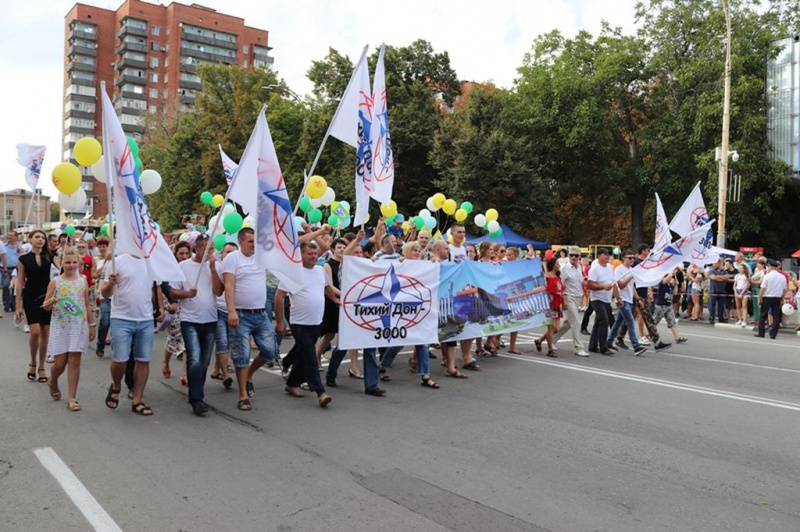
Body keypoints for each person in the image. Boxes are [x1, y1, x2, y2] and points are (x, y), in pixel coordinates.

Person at [100, 250, 164, 416]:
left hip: (145, 319)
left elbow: (156, 288)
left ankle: (137, 400)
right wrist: (111, 284)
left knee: (143, 360)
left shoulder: (152, 261)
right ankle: (116, 384)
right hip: (121, 319)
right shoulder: (117, 262)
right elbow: (104, 293)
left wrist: (161, 307)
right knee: (120, 360)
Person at [221, 228, 277, 411]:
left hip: (260, 314)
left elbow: (290, 245)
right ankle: (243, 394)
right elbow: (228, 286)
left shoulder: (261, 257)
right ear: (241, 241)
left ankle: (249, 375)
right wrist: (231, 311)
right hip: (241, 314)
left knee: (270, 351)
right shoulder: (233, 259)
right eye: (251, 241)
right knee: (242, 356)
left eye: (256, 241)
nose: (254, 244)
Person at [275, 242, 334, 407]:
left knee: (302, 354)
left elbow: (327, 288)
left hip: (316, 321)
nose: (314, 256)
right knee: (310, 356)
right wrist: (280, 321)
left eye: (316, 254)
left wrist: (336, 299)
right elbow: (279, 297)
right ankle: (320, 392)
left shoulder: (320, 271)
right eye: (310, 254)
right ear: (301, 255)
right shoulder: (293, 273)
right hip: (299, 322)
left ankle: (291, 383)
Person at [170, 234, 224, 416]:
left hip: (210, 319)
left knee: (205, 361)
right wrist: (186, 294)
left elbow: (218, 291)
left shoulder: (215, 266)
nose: (211, 252)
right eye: (207, 248)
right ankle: (197, 399)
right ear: (198, 248)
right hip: (189, 319)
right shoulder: (183, 267)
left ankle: (196, 390)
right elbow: (173, 292)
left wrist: (213, 268)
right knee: (194, 358)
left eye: (213, 248)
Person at [42, 246, 94, 411]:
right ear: (62, 263)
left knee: (74, 360)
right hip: (60, 327)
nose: (71, 265)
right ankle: (54, 380)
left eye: (74, 262)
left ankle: (71, 397)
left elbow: (87, 305)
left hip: (78, 326)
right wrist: (49, 303)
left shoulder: (82, 281)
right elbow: (45, 305)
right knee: (60, 363)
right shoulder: (55, 281)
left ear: (79, 263)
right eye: (68, 262)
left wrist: (92, 325)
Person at [16, 230, 53, 383]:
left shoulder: (50, 257)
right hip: (30, 297)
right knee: (35, 331)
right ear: (30, 239)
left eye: (43, 238)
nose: (40, 240)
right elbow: (19, 282)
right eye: (37, 237)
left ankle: (42, 366)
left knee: (45, 332)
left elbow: (63, 271)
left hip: (47, 296)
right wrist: (18, 305)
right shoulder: (23, 259)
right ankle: (32, 361)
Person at [606, 250, 647, 356]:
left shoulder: (631, 269)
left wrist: (638, 299)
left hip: (628, 299)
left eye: (633, 258)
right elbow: (621, 285)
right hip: (621, 299)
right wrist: (631, 276)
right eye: (629, 258)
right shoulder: (619, 270)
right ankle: (636, 346)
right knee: (630, 321)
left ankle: (609, 341)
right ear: (623, 258)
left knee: (618, 322)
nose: (632, 260)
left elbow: (631, 287)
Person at [209, 242, 237, 388]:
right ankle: (226, 375)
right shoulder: (218, 267)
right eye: (228, 252)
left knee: (230, 343)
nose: (230, 255)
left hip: (235, 311)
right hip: (219, 310)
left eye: (234, 252)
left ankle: (216, 369)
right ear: (222, 253)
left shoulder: (240, 267)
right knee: (222, 342)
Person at [162, 242, 191, 383]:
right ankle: (165, 362)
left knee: (187, 341)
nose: (184, 256)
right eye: (181, 253)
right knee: (173, 339)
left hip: (189, 306)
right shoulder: (169, 269)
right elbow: (163, 287)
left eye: (187, 253)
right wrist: (168, 305)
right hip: (174, 305)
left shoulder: (192, 267)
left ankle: (185, 374)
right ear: (176, 254)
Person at [560, 246, 589, 357]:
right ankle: (579, 347)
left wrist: (583, 280)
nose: (573, 257)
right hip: (568, 296)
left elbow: (578, 281)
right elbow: (561, 284)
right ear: (568, 256)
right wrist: (564, 300)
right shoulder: (564, 268)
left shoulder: (579, 267)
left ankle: (550, 340)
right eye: (571, 255)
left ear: (579, 257)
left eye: (576, 255)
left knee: (567, 323)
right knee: (576, 322)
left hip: (578, 296)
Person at [535, 257, 564, 357]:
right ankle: (550, 349)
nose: (559, 265)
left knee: (557, 328)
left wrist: (564, 302)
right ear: (553, 265)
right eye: (557, 263)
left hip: (557, 303)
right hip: (549, 303)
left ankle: (539, 340)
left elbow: (562, 290)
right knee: (551, 327)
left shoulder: (558, 277)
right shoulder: (547, 276)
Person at [587, 248, 614, 355]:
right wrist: (603, 286)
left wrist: (618, 297)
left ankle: (593, 346)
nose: (607, 256)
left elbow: (613, 284)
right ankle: (604, 347)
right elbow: (590, 284)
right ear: (599, 256)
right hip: (597, 298)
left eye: (608, 254)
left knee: (598, 322)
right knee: (604, 321)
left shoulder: (610, 268)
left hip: (607, 299)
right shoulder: (594, 269)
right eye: (605, 254)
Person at [652, 268, 688, 345]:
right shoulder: (662, 282)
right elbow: (669, 277)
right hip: (661, 305)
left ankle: (677, 338)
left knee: (672, 322)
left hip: (668, 305)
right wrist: (672, 268)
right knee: (654, 322)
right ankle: (646, 335)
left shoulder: (669, 284)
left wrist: (676, 284)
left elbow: (675, 293)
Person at [755, 259, 787, 339]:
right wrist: (782, 298)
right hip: (777, 298)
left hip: (767, 297)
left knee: (763, 315)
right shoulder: (782, 277)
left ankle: (761, 333)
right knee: (776, 316)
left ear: (771, 267)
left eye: (768, 266)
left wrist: (760, 298)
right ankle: (773, 334)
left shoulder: (767, 276)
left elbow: (762, 289)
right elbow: (784, 289)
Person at [93, 237, 111, 357]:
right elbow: (98, 277)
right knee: (105, 322)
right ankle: (100, 344)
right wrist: (100, 294)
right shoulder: (104, 262)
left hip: (120, 298)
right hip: (106, 295)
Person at [707, 259, 730, 325]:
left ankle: (721, 317)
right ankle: (711, 317)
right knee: (712, 305)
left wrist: (718, 277)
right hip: (713, 290)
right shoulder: (712, 270)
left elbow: (727, 277)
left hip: (722, 290)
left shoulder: (724, 271)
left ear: (719, 263)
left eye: (715, 263)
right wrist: (722, 278)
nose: (714, 264)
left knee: (721, 305)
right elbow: (713, 278)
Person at [4, 231, 21, 312]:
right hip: (5, 269)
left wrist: (21, 252)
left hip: (17, 269)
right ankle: (6, 303)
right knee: (6, 285)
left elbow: (23, 258)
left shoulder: (20, 247)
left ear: (16, 237)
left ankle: (13, 304)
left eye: (11, 235)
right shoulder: (3, 246)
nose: (9, 236)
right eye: (9, 235)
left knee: (16, 287)